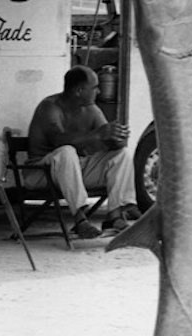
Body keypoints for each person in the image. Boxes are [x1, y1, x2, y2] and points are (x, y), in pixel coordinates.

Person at [25, 65, 140, 238]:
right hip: (41, 173)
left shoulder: (91, 109)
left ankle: (114, 216)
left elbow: (107, 139)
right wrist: (98, 134)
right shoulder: (49, 107)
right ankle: (80, 220)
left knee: (122, 154)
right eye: (94, 87)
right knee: (66, 151)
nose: (99, 91)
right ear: (79, 91)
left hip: (74, 170)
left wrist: (117, 137)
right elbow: (57, 140)